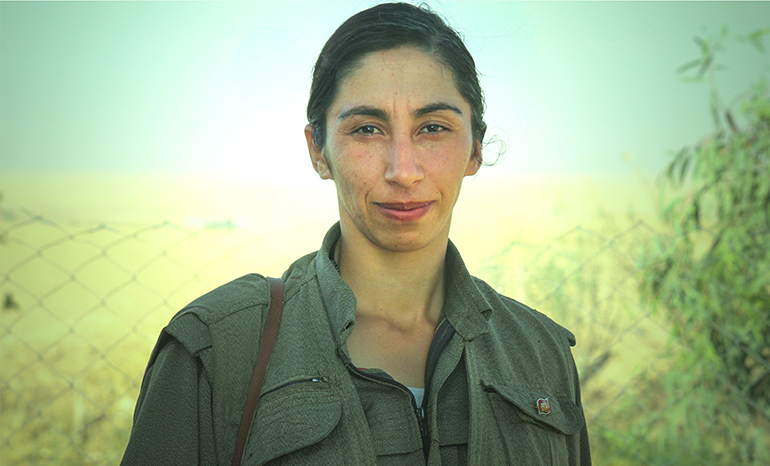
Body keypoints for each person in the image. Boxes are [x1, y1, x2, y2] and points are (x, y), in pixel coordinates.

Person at [122, 3, 591, 465]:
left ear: (475, 149)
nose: (403, 171)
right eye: (367, 129)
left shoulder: (540, 352)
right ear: (318, 151)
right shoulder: (218, 347)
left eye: (433, 128)